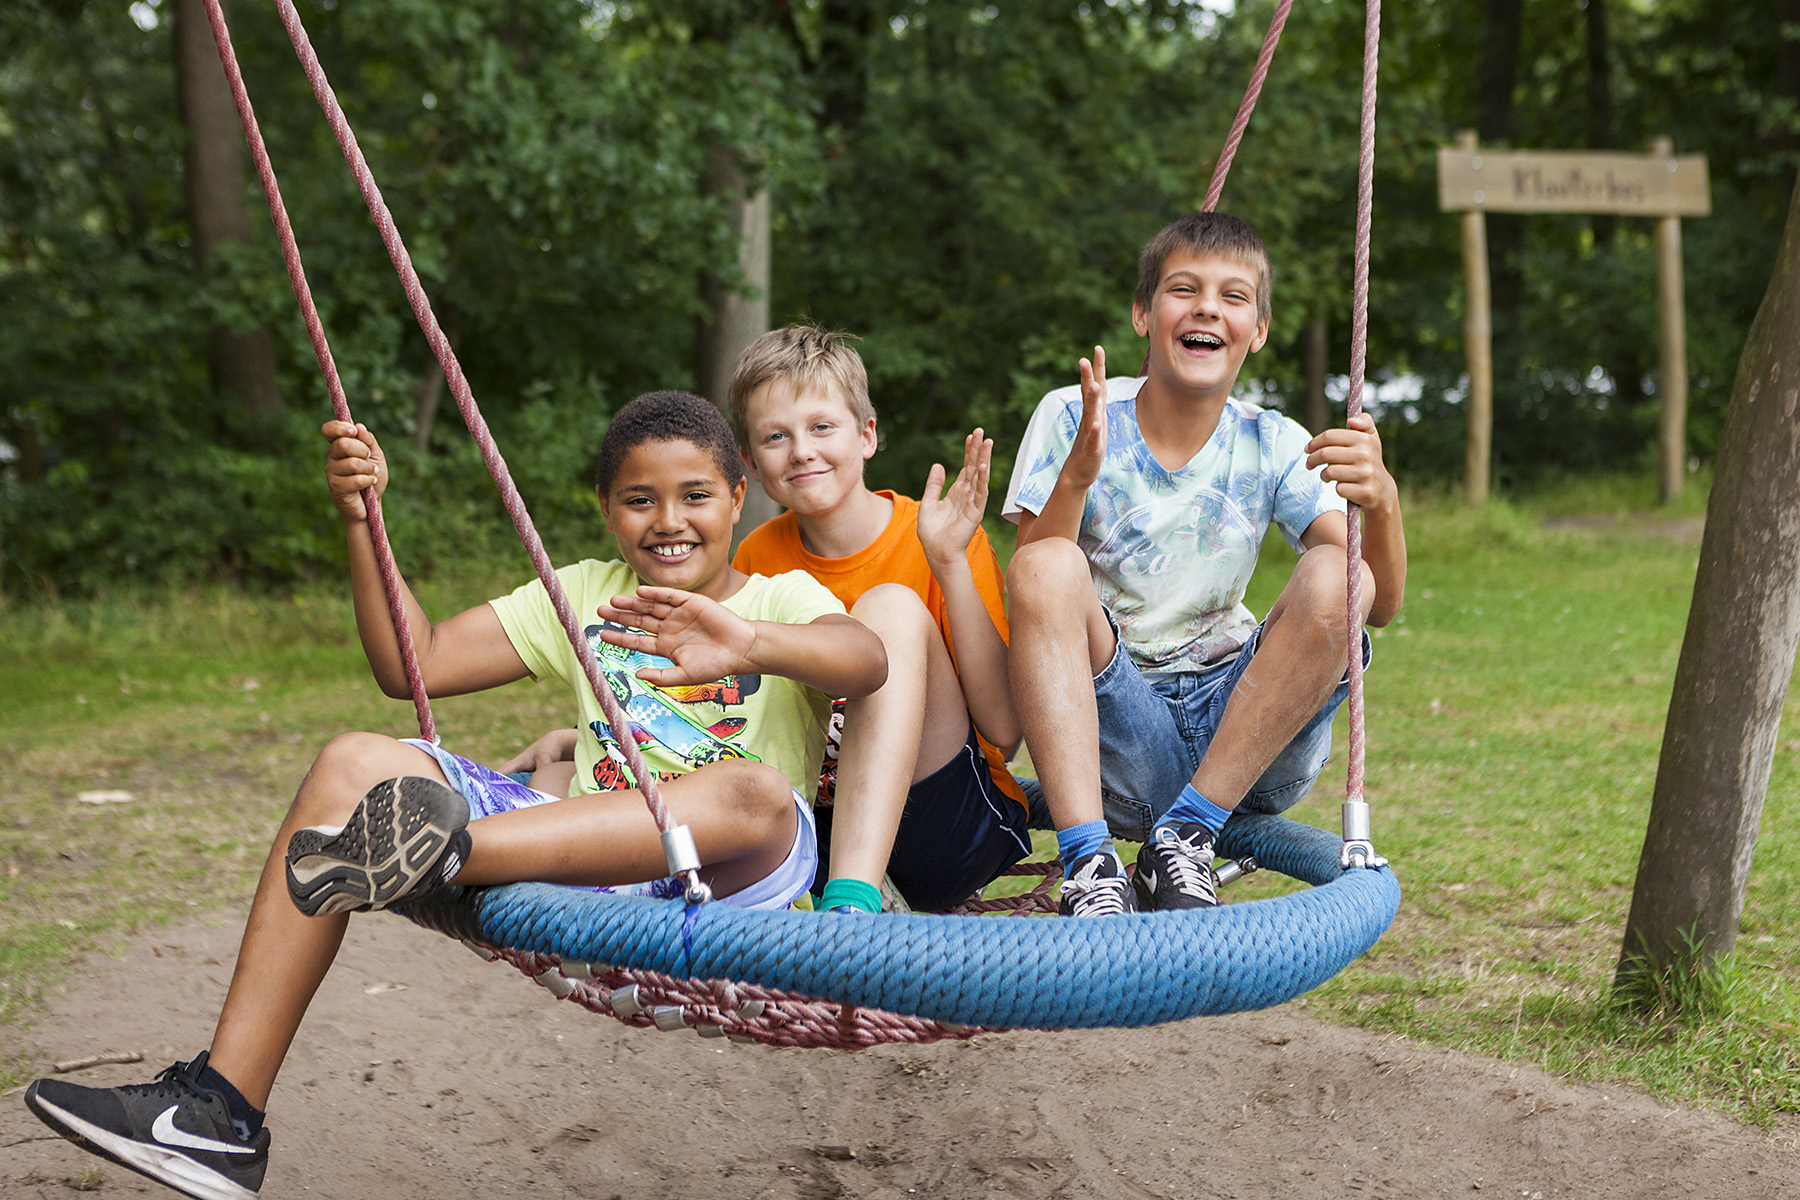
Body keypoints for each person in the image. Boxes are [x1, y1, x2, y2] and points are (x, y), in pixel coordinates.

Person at [23, 390, 886, 1200]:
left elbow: (865, 660)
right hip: (585, 861)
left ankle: (440, 852)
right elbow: (417, 663)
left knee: (755, 790)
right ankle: (219, 1113)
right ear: (605, 509)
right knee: (353, 761)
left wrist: (748, 643)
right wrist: (363, 521)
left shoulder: (779, 598)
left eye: (695, 495)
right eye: (638, 500)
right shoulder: (584, 595)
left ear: (738, 497)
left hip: (732, 889)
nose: (668, 520)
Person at [1003, 211, 1407, 917]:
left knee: (1335, 571)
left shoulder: (1272, 441)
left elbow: (1375, 602)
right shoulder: (1076, 414)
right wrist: (1076, 478)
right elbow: (1033, 580)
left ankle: (1187, 835)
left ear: (1259, 329)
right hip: (1118, 736)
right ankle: (1090, 862)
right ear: (1143, 314)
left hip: (1246, 737)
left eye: (1233, 296)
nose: (1207, 308)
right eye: (1184, 289)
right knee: (1044, 568)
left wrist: (1384, 503)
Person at [731, 324, 1032, 914]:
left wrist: (949, 562)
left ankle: (853, 900)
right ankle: (844, 891)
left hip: (941, 824)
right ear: (751, 462)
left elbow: (1004, 730)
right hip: (810, 831)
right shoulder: (756, 558)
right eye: (776, 436)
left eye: (822, 427)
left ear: (866, 435)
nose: (801, 450)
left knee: (889, 607)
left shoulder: (939, 538)